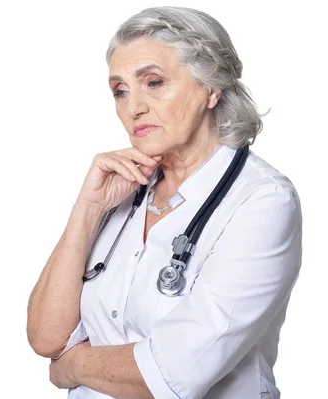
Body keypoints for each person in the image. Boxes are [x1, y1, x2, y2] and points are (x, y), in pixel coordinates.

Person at [27, 6, 302, 399]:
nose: (132, 107)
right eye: (120, 91)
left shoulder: (262, 202)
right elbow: (45, 337)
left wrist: (72, 366)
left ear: (211, 87)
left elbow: (175, 374)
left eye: (153, 82)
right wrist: (88, 208)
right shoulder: (121, 191)